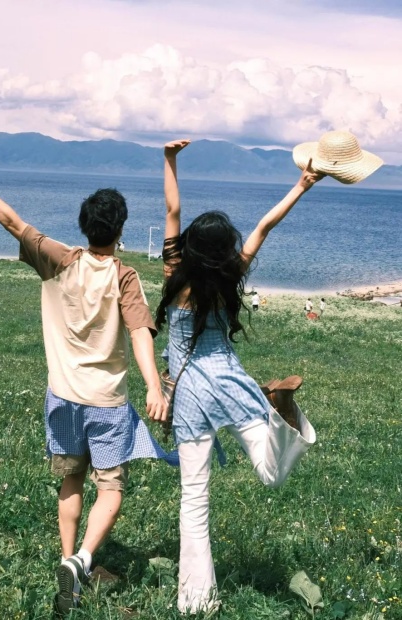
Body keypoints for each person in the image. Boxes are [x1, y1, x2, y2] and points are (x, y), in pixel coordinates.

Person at [0, 144, 170, 618]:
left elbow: (11, 222)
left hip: (62, 397)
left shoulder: (58, 259)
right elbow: (139, 333)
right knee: (111, 488)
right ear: (120, 230)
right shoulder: (125, 278)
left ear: (85, 226)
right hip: (106, 403)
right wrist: (153, 385)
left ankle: (68, 561)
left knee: (71, 479)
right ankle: (82, 562)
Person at [155, 139, 323, 614]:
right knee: (271, 474)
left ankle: (197, 600)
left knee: (194, 498)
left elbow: (172, 208)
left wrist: (169, 159)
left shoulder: (174, 270)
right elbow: (265, 225)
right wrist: (301, 186)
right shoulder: (231, 274)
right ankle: (283, 408)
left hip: (190, 391)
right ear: (225, 249)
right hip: (229, 380)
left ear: (190, 245)